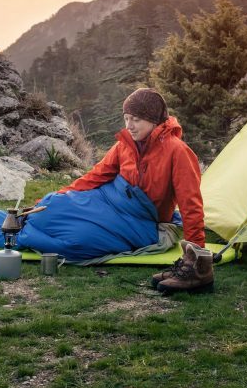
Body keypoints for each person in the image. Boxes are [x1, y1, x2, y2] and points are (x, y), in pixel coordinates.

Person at [55, 87, 214, 294]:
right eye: (126, 118)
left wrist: (196, 253)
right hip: (114, 207)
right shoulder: (125, 146)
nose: (129, 126)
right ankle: (23, 221)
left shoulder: (178, 152)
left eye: (136, 119)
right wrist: (63, 194)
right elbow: (96, 176)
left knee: (78, 239)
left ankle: (198, 273)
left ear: (154, 119)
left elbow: (190, 204)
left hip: (142, 221)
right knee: (55, 205)